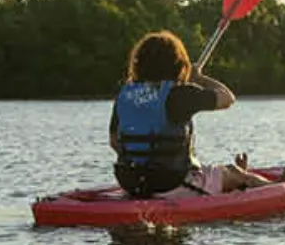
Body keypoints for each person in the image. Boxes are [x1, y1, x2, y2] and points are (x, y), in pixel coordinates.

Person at [109, 30, 272, 197]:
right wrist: (199, 78)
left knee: (223, 174)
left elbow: (115, 142)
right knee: (234, 172)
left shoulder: (125, 96)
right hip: (172, 183)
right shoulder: (179, 94)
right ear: (176, 64)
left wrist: (144, 164)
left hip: (132, 183)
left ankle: (228, 184)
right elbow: (227, 98)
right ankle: (276, 187)